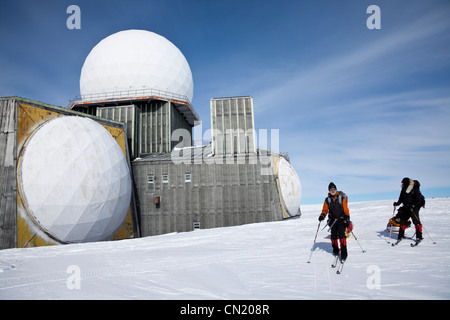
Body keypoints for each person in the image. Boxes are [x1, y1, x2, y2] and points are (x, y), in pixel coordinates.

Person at [318, 182, 350, 261]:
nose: (333, 190)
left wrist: (347, 218)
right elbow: (325, 210)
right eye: (331, 189)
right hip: (332, 220)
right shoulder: (327, 200)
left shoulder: (341, 198)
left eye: (334, 189)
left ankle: (344, 253)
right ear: (329, 191)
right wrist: (322, 215)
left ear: (336, 189)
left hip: (341, 220)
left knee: (342, 236)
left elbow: (346, 210)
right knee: (333, 237)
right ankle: (335, 250)